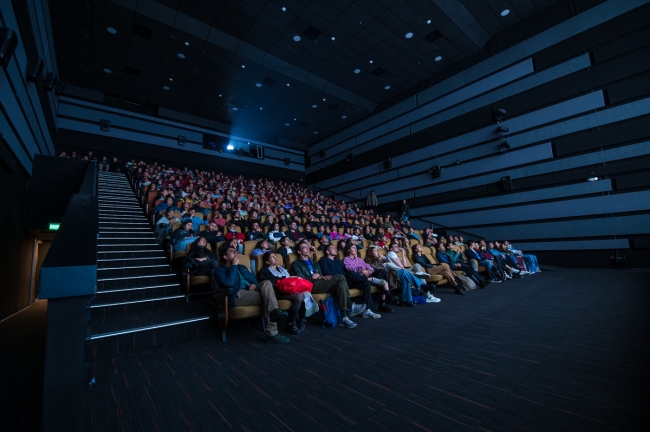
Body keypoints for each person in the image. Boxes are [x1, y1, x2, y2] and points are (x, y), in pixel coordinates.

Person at [215, 245, 290, 344]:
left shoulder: (242, 267)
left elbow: (254, 279)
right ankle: (272, 332)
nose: (237, 253)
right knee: (267, 297)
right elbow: (228, 284)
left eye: (237, 251)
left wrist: (254, 284)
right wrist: (233, 266)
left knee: (266, 283)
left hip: (250, 291)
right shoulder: (219, 271)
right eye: (233, 251)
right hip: (237, 295)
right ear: (225, 257)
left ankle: (274, 311)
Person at [291, 240, 365, 328]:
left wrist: (320, 277)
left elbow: (321, 275)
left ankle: (344, 317)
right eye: (304, 248)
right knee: (341, 277)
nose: (307, 249)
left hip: (320, 283)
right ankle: (350, 306)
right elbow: (300, 278)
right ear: (299, 252)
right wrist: (313, 277)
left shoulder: (315, 263)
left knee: (341, 285)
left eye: (307, 247)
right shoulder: (296, 264)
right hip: (310, 285)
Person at [320, 244, 381, 319]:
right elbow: (326, 272)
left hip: (347, 281)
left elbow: (345, 270)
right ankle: (370, 279)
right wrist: (342, 276)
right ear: (327, 251)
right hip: (337, 282)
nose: (335, 249)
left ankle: (367, 310)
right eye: (333, 248)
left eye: (335, 248)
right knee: (351, 274)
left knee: (366, 284)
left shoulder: (337, 260)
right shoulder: (323, 260)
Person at [259, 251, 306, 335]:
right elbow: (271, 281)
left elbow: (293, 275)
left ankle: (301, 320)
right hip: (277, 293)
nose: (275, 258)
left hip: (288, 290)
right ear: (267, 261)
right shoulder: (264, 271)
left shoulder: (283, 269)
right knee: (298, 297)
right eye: (272, 257)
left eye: (275, 256)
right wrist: (286, 279)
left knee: (304, 294)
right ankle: (291, 322)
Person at [343, 243, 393, 313]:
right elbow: (350, 268)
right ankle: (385, 298)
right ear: (348, 250)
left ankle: (385, 297)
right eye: (353, 248)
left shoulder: (359, 259)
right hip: (358, 279)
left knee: (382, 272)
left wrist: (369, 270)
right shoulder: (346, 259)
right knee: (380, 279)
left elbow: (368, 265)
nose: (356, 249)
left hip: (367, 275)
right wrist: (362, 271)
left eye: (356, 248)